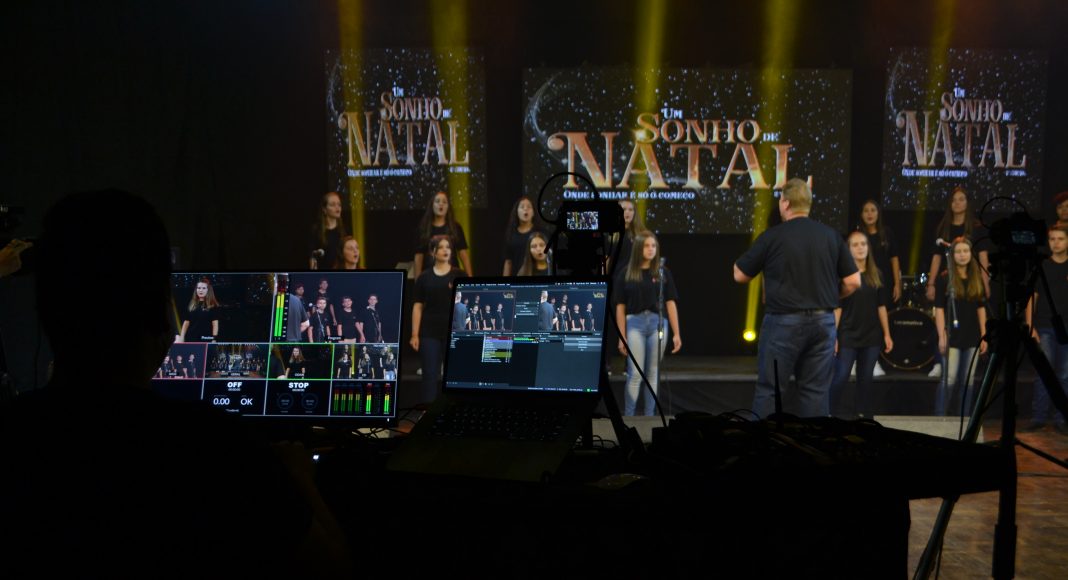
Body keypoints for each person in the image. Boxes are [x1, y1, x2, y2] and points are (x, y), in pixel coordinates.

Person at [0, 189, 351, 577]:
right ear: (158, 319)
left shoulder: (13, 439)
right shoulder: (216, 446)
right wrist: (299, 478)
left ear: (45, 311)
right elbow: (333, 565)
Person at [734, 178, 860, 419]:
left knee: (771, 391)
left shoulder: (772, 236)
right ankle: (813, 442)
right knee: (816, 393)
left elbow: (739, 274)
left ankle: (763, 442)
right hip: (823, 323)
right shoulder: (831, 236)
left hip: (783, 322)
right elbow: (854, 281)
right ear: (808, 204)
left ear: (785, 203)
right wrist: (831, 296)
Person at [613, 231, 682, 416]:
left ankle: (649, 417)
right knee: (635, 372)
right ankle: (629, 416)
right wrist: (621, 336)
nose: (651, 249)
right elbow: (620, 307)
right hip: (634, 323)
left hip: (657, 323)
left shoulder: (662, 272)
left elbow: (670, 302)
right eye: (646, 245)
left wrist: (676, 333)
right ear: (638, 248)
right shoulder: (626, 273)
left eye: (653, 246)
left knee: (652, 372)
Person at [925, 187, 990, 380]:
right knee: (943, 318)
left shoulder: (976, 227)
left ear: (967, 203)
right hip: (948, 281)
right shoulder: (943, 227)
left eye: (962, 199)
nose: (958, 203)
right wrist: (931, 283)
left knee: (968, 317)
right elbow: (937, 257)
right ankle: (940, 361)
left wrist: (985, 282)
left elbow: (983, 256)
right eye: (954, 200)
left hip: (971, 280)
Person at [829, 232, 894, 419]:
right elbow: (838, 308)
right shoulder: (843, 276)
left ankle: (863, 416)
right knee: (841, 376)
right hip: (848, 333)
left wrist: (887, 334)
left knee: (865, 379)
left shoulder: (877, 274)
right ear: (848, 249)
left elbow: (881, 306)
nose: (860, 248)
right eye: (855, 244)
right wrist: (833, 336)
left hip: (871, 335)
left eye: (863, 244)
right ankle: (829, 413)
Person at [1022, 223, 1068, 434]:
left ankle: (1061, 418)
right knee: (1043, 373)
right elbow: (1032, 297)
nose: (1056, 243)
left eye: (1060, 239)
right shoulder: (1042, 267)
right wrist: (1030, 325)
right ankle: (1038, 417)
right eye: (1052, 239)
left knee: (1065, 375)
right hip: (1044, 325)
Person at [934, 237, 987, 416]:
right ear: (952, 255)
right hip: (953, 336)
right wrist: (942, 335)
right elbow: (939, 309)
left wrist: (984, 334)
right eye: (958, 251)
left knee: (968, 379)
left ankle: (963, 417)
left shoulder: (976, 277)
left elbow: (981, 308)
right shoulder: (944, 278)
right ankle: (940, 417)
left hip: (972, 335)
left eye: (965, 251)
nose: (962, 255)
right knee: (949, 378)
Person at [410, 238, 462, 405]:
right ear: (433, 252)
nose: (445, 250)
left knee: (453, 375)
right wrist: (414, 334)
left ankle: (453, 410)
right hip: (429, 332)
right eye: (441, 247)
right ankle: (427, 411)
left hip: (453, 331)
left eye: (448, 247)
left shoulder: (459, 275)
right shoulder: (424, 277)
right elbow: (418, 306)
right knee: (429, 374)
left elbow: (467, 304)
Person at [413, 191, 472, 278]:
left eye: (444, 202)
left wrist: (470, 277)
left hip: (452, 277)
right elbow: (418, 257)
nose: (441, 204)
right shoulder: (423, 228)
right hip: (430, 279)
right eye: (437, 201)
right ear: (432, 205)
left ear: (448, 207)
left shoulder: (455, 227)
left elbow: (463, 254)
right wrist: (418, 281)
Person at [502, 196, 544, 276]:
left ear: (533, 213)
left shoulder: (540, 233)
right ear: (517, 212)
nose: (525, 209)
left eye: (529, 207)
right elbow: (508, 262)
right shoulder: (511, 234)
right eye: (522, 207)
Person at [607, 199, 647, 278]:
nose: (627, 212)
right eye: (624, 209)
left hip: (637, 278)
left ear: (634, 213)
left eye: (631, 209)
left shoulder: (643, 234)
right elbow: (605, 262)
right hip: (616, 278)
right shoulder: (609, 234)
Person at [309, 191, 348, 270]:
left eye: (339, 204)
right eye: (333, 205)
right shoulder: (316, 231)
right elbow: (312, 257)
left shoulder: (344, 230)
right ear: (324, 209)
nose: (337, 207)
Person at [179, 278, 220, 342]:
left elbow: (215, 324)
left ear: (208, 290)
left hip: (206, 339)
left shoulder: (213, 306)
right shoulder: (191, 305)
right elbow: (186, 322)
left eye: (203, 288)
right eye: (199, 288)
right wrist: (182, 337)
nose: (201, 290)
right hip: (191, 339)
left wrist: (214, 339)